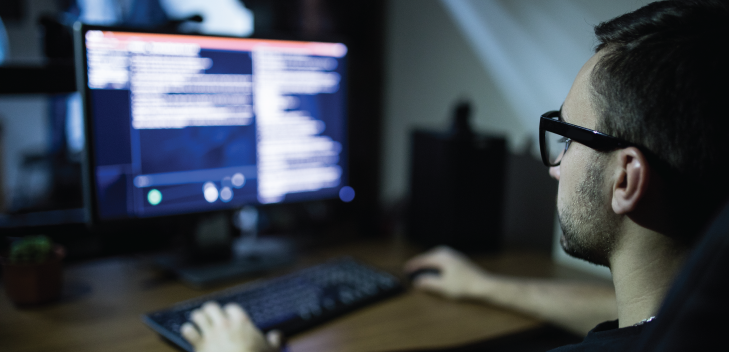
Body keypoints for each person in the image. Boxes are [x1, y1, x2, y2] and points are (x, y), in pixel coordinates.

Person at [179, 0, 729, 351]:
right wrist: (483, 286)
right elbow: (637, 312)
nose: (555, 166)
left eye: (568, 137)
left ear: (626, 180)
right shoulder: (696, 315)